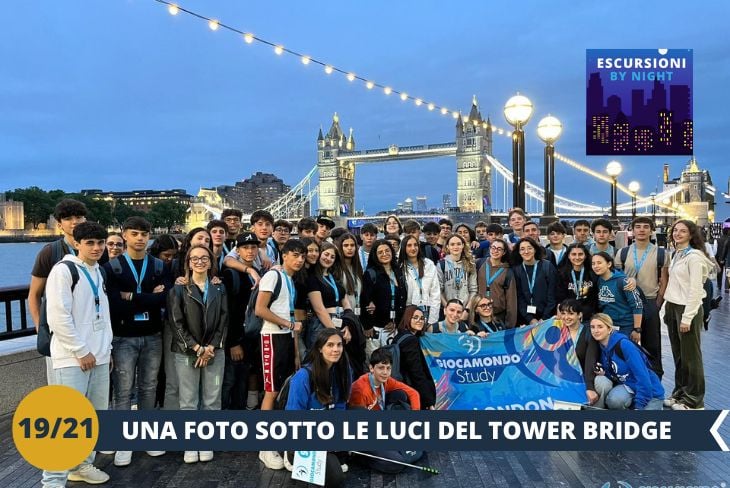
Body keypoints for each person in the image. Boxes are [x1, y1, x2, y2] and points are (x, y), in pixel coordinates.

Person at [41, 221, 112, 487]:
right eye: (90, 243)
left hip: (100, 356)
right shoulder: (64, 271)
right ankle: (53, 481)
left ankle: (81, 464)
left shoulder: (98, 272)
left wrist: (106, 349)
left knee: (93, 417)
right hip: (72, 358)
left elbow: (101, 315)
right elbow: (58, 317)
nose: (96, 248)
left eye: (100, 242)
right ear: (77, 244)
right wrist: (81, 351)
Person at [104, 216, 167, 467]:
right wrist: (149, 297)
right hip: (123, 337)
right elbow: (114, 305)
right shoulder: (112, 267)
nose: (140, 238)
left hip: (153, 334)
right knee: (123, 389)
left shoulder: (160, 266)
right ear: (124, 235)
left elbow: (165, 299)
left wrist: (132, 296)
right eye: (134, 233)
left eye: (144, 233)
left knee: (149, 387)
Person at [168, 244, 228, 464]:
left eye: (205, 258)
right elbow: (176, 322)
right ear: (188, 262)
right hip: (187, 352)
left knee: (212, 399)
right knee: (188, 400)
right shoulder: (178, 289)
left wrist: (211, 346)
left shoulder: (219, 289)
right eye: (195, 258)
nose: (200, 262)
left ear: (211, 262)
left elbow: (224, 319)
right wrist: (196, 347)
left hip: (214, 351)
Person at [254, 239, 306, 469]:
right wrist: (287, 324)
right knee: (271, 391)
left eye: (302, 256)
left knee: (283, 390)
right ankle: (265, 447)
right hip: (272, 337)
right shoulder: (273, 276)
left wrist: (295, 351)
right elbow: (260, 309)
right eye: (295, 254)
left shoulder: (290, 280)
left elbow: (292, 318)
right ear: (283, 255)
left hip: (285, 338)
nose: (299, 259)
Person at [284, 329, 352, 486]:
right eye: (330, 345)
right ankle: (289, 455)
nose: (335, 349)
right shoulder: (303, 376)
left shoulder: (344, 371)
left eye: (339, 345)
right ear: (320, 348)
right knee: (335, 478)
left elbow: (341, 406)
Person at [663, 219, 715, 410]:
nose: (677, 234)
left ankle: (694, 401)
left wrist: (687, 317)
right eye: (675, 230)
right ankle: (680, 394)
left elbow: (695, 289)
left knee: (691, 357)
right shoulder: (676, 254)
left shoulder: (695, 257)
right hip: (673, 306)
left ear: (691, 235)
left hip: (687, 308)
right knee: (679, 355)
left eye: (682, 231)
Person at [348, 348, 423, 474]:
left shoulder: (386, 381)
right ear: (371, 368)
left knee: (400, 394)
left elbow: (413, 393)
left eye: (388, 368)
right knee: (397, 463)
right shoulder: (360, 389)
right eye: (381, 368)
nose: (385, 372)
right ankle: (360, 456)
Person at [614, 216, 669, 377]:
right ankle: (629, 377)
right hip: (628, 303)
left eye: (646, 227)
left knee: (652, 344)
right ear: (632, 230)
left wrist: (658, 304)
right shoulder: (622, 253)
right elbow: (618, 278)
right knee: (628, 342)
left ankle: (655, 379)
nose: (642, 230)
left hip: (650, 301)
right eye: (638, 226)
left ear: (652, 230)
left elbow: (664, 280)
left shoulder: (661, 253)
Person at [221, 232, 261, 410]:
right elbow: (227, 312)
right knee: (228, 382)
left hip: (251, 338)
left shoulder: (258, 273)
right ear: (237, 251)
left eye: (253, 247)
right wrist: (232, 342)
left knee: (242, 382)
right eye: (245, 247)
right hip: (235, 339)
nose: (250, 251)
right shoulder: (230, 275)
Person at [591, 313, 664, 410]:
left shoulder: (624, 345)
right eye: (592, 327)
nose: (596, 331)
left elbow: (642, 376)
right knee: (613, 401)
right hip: (628, 386)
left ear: (609, 329)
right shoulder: (602, 347)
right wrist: (605, 373)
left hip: (650, 391)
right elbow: (615, 370)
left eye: (600, 327)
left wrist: (639, 406)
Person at [361, 240, 407, 352]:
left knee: (391, 360)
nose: (385, 254)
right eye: (380, 252)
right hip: (375, 328)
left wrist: (396, 321)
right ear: (375, 256)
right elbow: (365, 300)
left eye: (387, 251)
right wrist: (367, 326)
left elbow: (402, 299)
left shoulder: (398, 272)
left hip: (392, 327)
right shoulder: (371, 273)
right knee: (374, 361)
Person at [305, 242, 353, 350]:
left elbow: (345, 301)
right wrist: (335, 332)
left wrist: (347, 324)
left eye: (332, 257)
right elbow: (319, 309)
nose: (328, 259)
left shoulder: (334, 278)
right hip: (322, 324)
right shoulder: (312, 278)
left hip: (341, 320)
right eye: (326, 254)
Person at [557, 299, 601, 407]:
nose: (566, 317)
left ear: (579, 315)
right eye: (563, 313)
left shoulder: (588, 333)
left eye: (571, 313)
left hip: (581, 379)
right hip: (560, 379)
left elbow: (590, 361)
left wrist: (589, 387)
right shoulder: (557, 330)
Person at [392, 306, 436, 409]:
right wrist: (428, 402)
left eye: (421, 318)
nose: (419, 321)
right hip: (411, 393)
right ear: (408, 318)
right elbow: (416, 373)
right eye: (415, 317)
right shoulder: (411, 341)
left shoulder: (400, 336)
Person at [591, 251, 643, 338]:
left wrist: (637, 329)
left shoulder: (623, 281)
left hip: (625, 327)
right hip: (607, 326)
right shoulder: (598, 280)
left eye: (599, 263)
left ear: (609, 264)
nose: (596, 266)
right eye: (593, 263)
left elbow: (637, 305)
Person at [511, 237, 557, 325]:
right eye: (522, 249)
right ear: (519, 252)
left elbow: (552, 295)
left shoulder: (547, 266)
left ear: (535, 249)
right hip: (525, 318)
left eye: (529, 248)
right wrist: (530, 319)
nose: (526, 252)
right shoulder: (516, 270)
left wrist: (545, 318)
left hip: (546, 318)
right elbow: (519, 297)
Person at [399, 235, 440, 328]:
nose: (413, 248)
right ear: (404, 248)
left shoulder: (428, 264)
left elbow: (435, 293)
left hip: (427, 310)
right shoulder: (400, 267)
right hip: (408, 311)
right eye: (409, 245)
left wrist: (433, 320)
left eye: (415, 245)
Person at [475, 238, 517, 327]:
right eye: (493, 247)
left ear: (504, 252)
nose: (495, 251)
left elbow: (511, 300)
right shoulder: (479, 263)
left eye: (499, 249)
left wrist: (510, 325)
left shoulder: (507, 271)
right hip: (479, 315)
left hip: (498, 316)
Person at [437, 233, 477, 320]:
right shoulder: (441, 264)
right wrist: (448, 308)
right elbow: (438, 290)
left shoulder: (471, 264)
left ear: (463, 245)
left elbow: (473, 290)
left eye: (459, 244)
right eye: (452, 244)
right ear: (447, 246)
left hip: (465, 311)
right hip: (447, 311)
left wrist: (467, 310)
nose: (456, 247)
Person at [555, 243, 599, 318]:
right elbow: (560, 297)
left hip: (589, 316)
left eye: (580, 254)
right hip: (569, 315)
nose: (577, 257)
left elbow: (595, 298)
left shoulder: (593, 273)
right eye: (574, 254)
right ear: (568, 256)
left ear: (585, 256)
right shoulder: (562, 274)